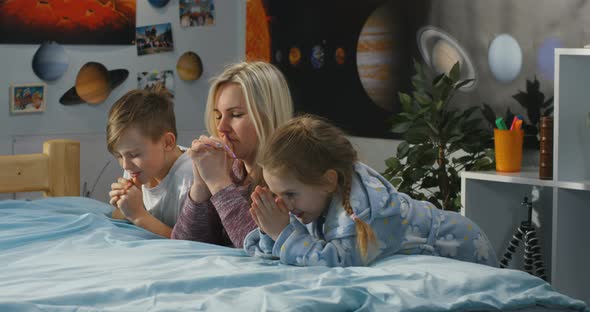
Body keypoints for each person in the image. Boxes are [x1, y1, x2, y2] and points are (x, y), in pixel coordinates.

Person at [244, 115, 499, 267]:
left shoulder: (363, 212)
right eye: (277, 195)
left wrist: (282, 234)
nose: (284, 205)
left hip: (462, 247)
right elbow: (297, 244)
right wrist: (271, 232)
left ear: (329, 181)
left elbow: (338, 262)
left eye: (290, 194)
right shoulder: (316, 198)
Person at [171, 61, 293, 248]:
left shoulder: (290, 179)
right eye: (218, 116)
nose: (221, 128)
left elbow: (262, 248)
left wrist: (219, 184)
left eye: (235, 115)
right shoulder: (231, 170)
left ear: (269, 115)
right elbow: (183, 246)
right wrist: (200, 185)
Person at [107, 86, 193, 238]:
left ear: (167, 143)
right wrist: (122, 207)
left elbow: (191, 242)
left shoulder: (189, 176)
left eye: (134, 154)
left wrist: (138, 215)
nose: (125, 165)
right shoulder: (135, 167)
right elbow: (119, 216)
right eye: (119, 156)